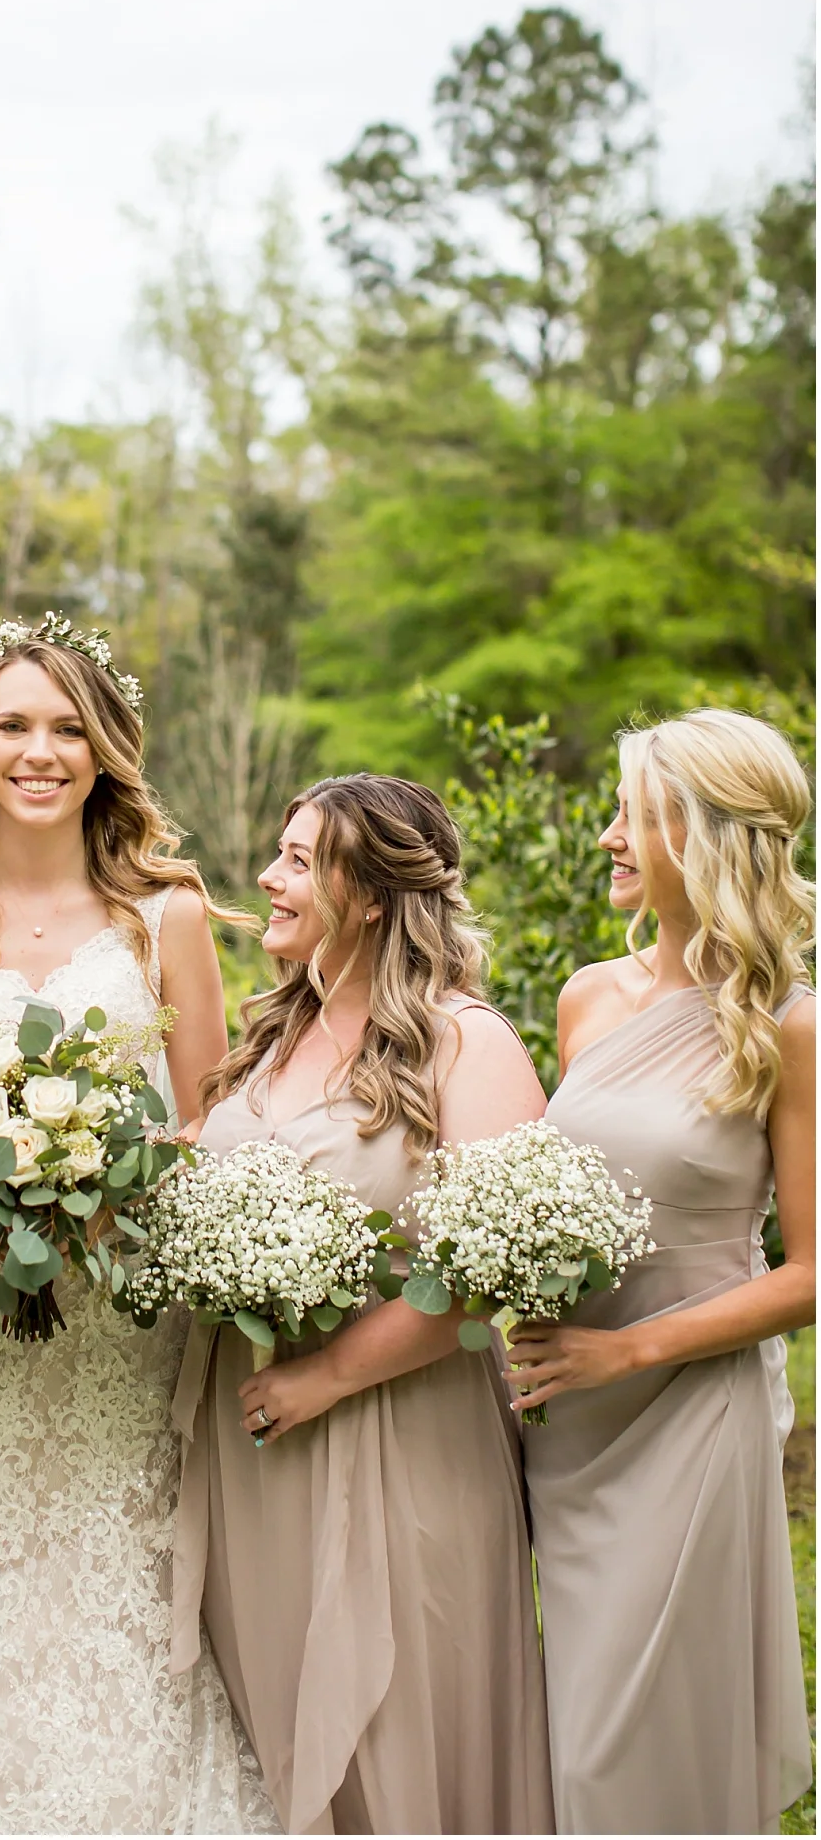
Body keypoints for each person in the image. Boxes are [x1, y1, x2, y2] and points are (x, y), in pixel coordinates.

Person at [0, 615, 275, 1836]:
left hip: (121, 1308)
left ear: (105, 752)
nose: (40, 751)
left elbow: (205, 1124)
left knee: (116, 1535)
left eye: (67, 727)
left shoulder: (164, 916)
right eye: (15, 725)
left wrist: (103, 1174)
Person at [171, 773, 554, 1836]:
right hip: (254, 1440)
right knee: (271, 1712)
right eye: (278, 854)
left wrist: (326, 1376)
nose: (268, 878)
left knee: (400, 1727)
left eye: (299, 860)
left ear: (375, 893)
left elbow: (490, 1279)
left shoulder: (463, 1042)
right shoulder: (272, 1036)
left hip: (399, 1436)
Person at [509, 709, 815, 1833]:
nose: (607, 839)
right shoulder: (587, 995)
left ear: (702, 833)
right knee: (569, 1732)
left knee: (642, 1748)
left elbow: (813, 1272)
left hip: (686, 1407)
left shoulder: (790, 1024)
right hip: (565, 1416)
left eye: (631, 814)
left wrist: (628, 1347)